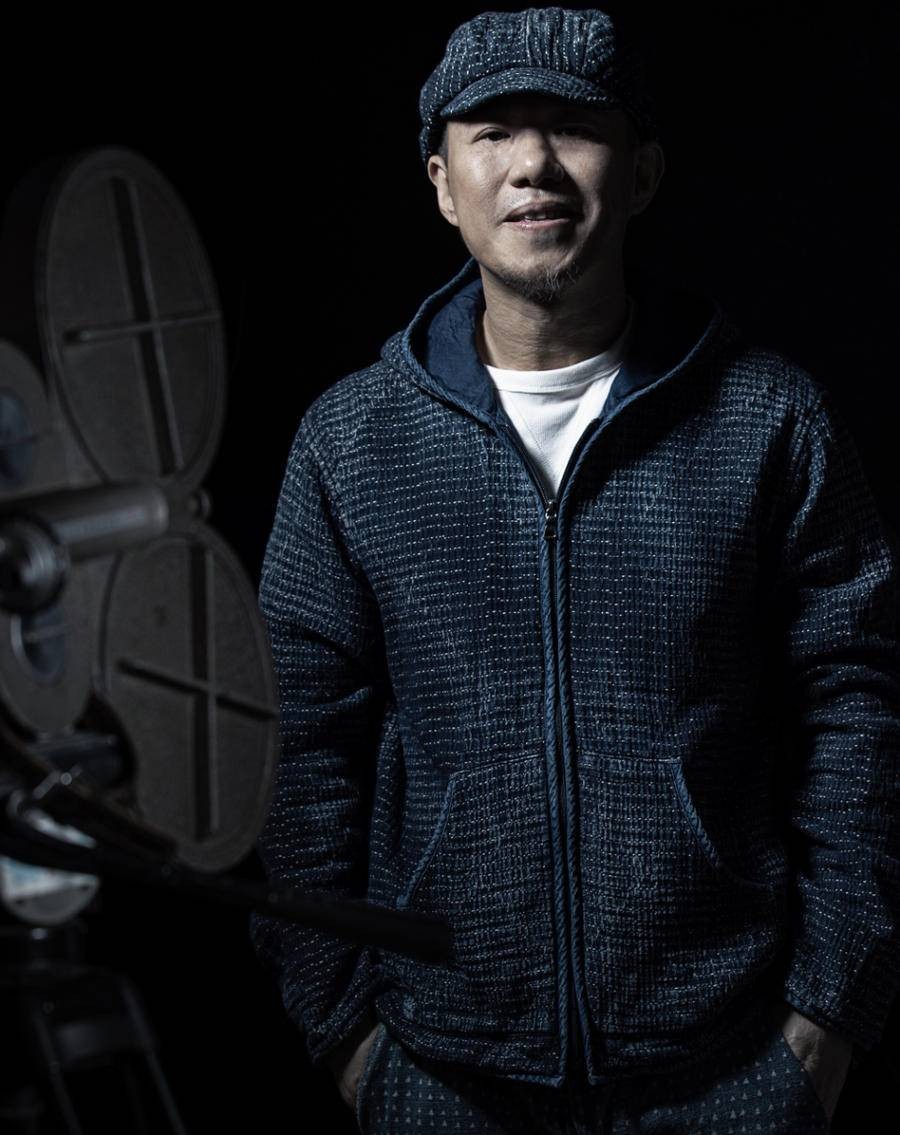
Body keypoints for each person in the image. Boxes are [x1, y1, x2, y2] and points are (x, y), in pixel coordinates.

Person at [249, 7, 900, 1132]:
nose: (534, 165)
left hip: (732, 1066)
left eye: (575, 126)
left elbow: (859, 710)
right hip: (440, 1075)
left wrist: (829, 1015)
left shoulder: (769, 419)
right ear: (443, 183)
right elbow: (295, 746)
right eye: (494, 131)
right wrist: (346, 1033)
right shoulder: (351, 443)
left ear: (640, 173)